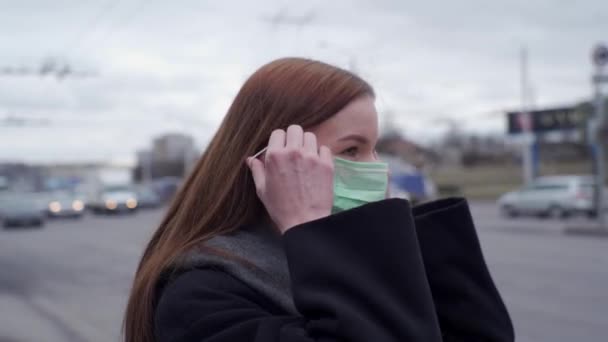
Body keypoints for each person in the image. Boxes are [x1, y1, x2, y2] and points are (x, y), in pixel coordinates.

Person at [123, 58, 514, 342]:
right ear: (271, 162)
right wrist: (311, 229)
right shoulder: (201, 296)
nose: (380, 170)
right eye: (351, 151)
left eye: (374, 149)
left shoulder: (359, 258)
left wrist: (405, 244)